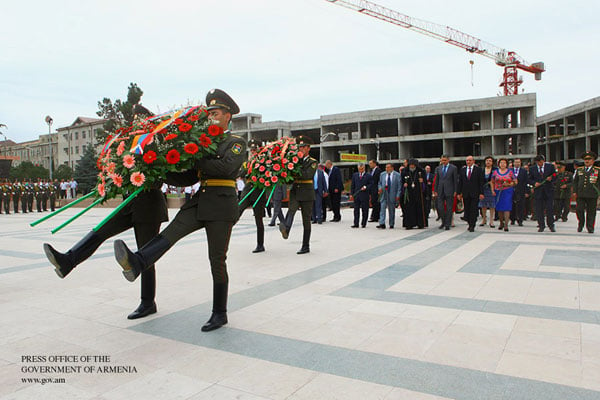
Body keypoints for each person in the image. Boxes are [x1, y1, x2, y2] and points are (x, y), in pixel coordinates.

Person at [113, 89, 245, 331]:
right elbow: (187, 178)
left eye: (215, 113)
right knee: (169, 234)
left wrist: (196, 153)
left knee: (217, 260)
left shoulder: (235, 143)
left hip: (222, 205)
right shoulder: (203, 142)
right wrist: (161, 166)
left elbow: (225, 168)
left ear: (228, 116)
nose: (212, 117)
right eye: (210, 114)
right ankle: (137, 262)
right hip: (200, 200)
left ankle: (220, 312)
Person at [44, 103, 170, 320]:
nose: (135, 124)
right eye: (134, 120)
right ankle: (67, 261)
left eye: (140, 120)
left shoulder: (155, 144)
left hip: (149, 205)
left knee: (145, 254)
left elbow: (160, 175)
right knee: (99, 231)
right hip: (128, 203)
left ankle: (148, 302)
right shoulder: (129, 144)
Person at [279, 136, 318, 254]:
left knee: (306, 220)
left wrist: (295, 169)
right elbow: (290, 177)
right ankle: (286, 229)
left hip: (307, 192)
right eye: (299, 147)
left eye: (303, 147)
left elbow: (307, 175)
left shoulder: (313, 162)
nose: (300, 149)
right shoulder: (294, 160)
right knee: (291, 210)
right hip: (296, 190)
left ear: (308, 148)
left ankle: (305, 245)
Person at [238, 139, 268, 253]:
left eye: (255, 149)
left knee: (258, 219)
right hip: (247, 189)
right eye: (251, 149)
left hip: (258, 191)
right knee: (238, 209)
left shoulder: (264, 162)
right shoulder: (247, 162)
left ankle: (260, 244)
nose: (253, 151)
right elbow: (241, 174)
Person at [573, 151, 600, 233]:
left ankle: (590, 227)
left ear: (593, 160)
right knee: (579, 210)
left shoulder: (597, 170)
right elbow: (575, 181)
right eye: (585, 159)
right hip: (581, 194)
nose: (587, 161)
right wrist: (574, 191)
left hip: (592, 194)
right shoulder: (579, 170)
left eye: (589, 159)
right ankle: (581, 223)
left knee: (591, 212)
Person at [528, 155, 557, 232]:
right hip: (538, 192)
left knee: (549, 209)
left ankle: (551, 225)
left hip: (548, 191)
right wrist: (534, 183)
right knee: (539, 210)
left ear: (543, 161)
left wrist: (551, 178)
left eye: (540, 162)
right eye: (537, 162)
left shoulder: (550, 167)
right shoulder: (532, 168)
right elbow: (529, 179)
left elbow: (555, 175)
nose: (539, 164)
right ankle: (541, 225)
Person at [457, 155, 484, 232]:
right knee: (467, 210)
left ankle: (472, 225)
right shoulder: (463, 170)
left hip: (475, 193)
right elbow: (460, 182)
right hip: (465, 193)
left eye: (470, 160)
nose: (468, 162)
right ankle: (469, 222)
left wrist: (481, 193)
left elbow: (481, 182)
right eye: (467, 160)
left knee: (474, 209)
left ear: (473, 161)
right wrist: (459, 193)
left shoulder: (478, 170)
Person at [433, 154, 458, 230]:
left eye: (445, 160)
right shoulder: (438, 168)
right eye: (442, 160)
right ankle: (443, 222)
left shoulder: (453, 168)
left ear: (448, 160)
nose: (443, 161)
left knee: (449, 208)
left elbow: (455, 180)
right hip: (440, 190)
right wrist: (435, 190)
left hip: (449, 190)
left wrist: (455, 190)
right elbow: (436, 180)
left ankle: (447, 224)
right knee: (440, 207)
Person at [491, 158, 516, 232]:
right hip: (498, 191)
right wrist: (492, 190)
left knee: (507, 207)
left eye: (504, 163)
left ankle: (506, 225)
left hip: (507, 191)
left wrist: (508, 184)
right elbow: (492, 182)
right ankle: (501, 222)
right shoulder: (495, 172)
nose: (502, 164)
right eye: (501, 163)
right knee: (499, 208)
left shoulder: (510, 172)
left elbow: (515, 181)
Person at [400, 159, 426, 229]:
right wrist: (404, 184)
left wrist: (422, 181)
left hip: (418, 192)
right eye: (410, 165)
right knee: (408, 208)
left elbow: (425, 182)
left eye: (413, 165)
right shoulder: (404, 171)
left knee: (419, 207)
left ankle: (420, 223)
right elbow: (401, 181)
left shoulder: (421, 171)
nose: (411, 166)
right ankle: (409, 224)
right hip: (409, 192)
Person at [377, 163, 401, 229]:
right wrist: (380, 188)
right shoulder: (382, 174)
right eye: (386, 167)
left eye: (388, 167)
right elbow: (379, 183)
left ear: (392, 168)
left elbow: (399, 186)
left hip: (392, 194)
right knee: (382, 208)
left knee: (391, 210)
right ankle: (382, 223)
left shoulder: (397, 175)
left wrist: (398, 195)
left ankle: (391, 223)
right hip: (384, 194)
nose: (386, 169)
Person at [350, 163, 373, 228]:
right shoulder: (355, 175)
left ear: (364, 168)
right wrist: (351, 194)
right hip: (356, 195)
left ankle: (363, 223)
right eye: (359, 169)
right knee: (356, 210)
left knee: (365, 210)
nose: (360, 170)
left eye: (362, 169)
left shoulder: (368, 176)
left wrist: (366, 187)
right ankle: (356, 223)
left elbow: (371, 184)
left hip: (364, 195)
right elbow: (353, 185)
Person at [478, 156, 497, 228]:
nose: (488, 162)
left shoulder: (495, 170)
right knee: (483, 205)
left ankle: (491, 220)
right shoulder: (481, 170)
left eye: (490, 161)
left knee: (492, 205)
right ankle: (484, 219)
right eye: (487, 161)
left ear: (492, 162)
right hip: (483, 189)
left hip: (491, 189)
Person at [510, 158, 527, 226]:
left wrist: (526, 191)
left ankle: (520, 220)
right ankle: (512, 219)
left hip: (521, 190)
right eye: (516, 162)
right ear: (513, 163)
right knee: (512, 205)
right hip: (511, 190)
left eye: (518, 162)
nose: (517, 164)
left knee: (521, 206)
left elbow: (525, 181)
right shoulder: (510, 171)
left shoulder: (523, 171)